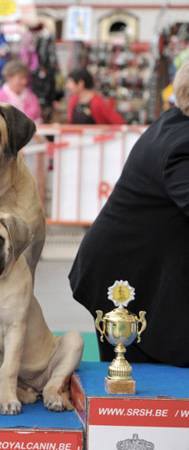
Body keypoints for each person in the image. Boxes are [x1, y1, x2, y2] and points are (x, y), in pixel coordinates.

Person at [68, 60, 189, 368]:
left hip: (141, 267)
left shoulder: (175, 122)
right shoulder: (181, 145)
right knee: (138, 381)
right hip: (124, 277)